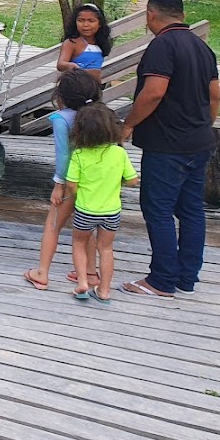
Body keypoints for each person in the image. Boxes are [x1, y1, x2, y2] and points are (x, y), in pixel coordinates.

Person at [120, 0, 220, 299]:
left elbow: (153, 93)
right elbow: (215, 95)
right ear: (181, 13)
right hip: (199, 142)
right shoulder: (202, 47)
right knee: (191, 210)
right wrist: (204, 125)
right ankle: (186, 278)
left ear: (150, 14)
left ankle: (162, 280)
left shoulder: (162, 46)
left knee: (158, 209)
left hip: (167, 144)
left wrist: (128, 124)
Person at [22, 70, 103, 290]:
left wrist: (59, 185)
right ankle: (90, 272)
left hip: (70, 181)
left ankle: (41, 273)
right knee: (86, 226)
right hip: (93, 182)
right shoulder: (99, 115)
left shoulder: (60, 119)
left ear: (62, 97)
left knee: (53, 225)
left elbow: (64, 155)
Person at [65, 100, 139, 303]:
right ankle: (104, 290)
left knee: (79, 243)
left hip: (85, 209)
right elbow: (133, 180)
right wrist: (116, 184)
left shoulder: (79, 155)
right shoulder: (119, 152)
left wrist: (80, 193)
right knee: (106, 249)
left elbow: (71, 184)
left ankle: (82, 282)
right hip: (111, 211)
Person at [57, 2, 112, 80]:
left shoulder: (100, 43)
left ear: (100, 24)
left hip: (94, 87)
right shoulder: (72, 43)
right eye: (81, 20)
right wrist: (73, 66)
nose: (85, 24)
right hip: (75, 85)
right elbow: (61, 64)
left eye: (91, 21)